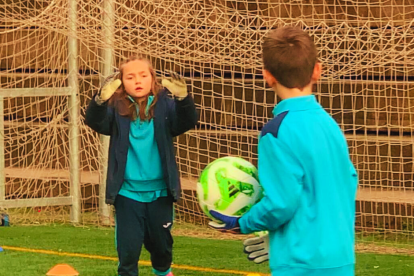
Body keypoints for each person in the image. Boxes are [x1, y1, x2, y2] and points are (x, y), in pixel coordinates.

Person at [209, 26, 358, 276]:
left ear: (267, 76)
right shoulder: (330, 125)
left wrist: (243, 223)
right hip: (340, 257)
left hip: (300, 262)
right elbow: (346, 183)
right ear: (317, 70)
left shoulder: (275, 132)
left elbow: (282, 202)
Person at [85, 56, 198, 276]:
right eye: (130, 77)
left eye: (143, 75)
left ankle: (163, 271)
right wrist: (99, 101)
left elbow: (186, 122)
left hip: (160, 193)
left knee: (161, 247)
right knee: (128, 250)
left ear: (153, 79)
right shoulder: (115, 108)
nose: (138, 81)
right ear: (121, 83)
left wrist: (184, 99)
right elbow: (95, 122)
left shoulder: (165, 104)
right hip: (127, 193)